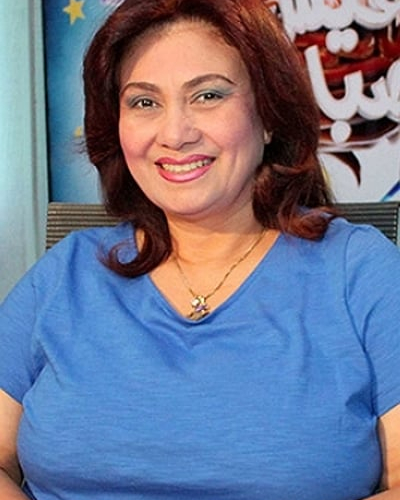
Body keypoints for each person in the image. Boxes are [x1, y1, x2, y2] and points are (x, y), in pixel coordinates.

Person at [0, 0, 399, 498]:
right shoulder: (64, 274)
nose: (175, 134)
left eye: (208, 95)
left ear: (269, 115)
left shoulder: (361, 273)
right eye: (144, 102)